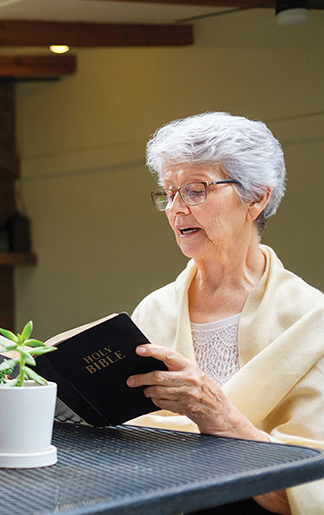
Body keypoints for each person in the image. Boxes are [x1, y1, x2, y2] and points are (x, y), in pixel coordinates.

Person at [126, 112, 324, 515]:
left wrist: (217, 416)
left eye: (195, 190)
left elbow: (307, 490)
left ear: (256, 198)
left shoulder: (312, 319)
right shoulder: (154, 309)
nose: (176, 209)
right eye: (169, 192)